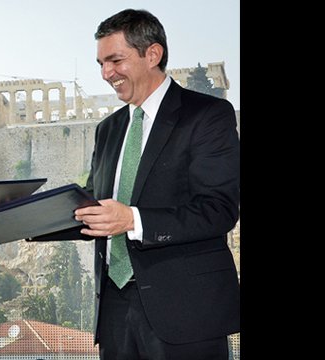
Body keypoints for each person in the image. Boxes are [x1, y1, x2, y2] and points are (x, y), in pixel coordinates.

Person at [71, 9, 239, 360]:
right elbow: (93, 207)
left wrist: (133, 220)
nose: (106, 74)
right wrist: (30, 215)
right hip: (115, 312)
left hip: (187, 313)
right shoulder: (107, 130)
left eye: (115, 60)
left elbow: (219, 210)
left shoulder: (207, 116)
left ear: (153, 54)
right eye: (100, 63)